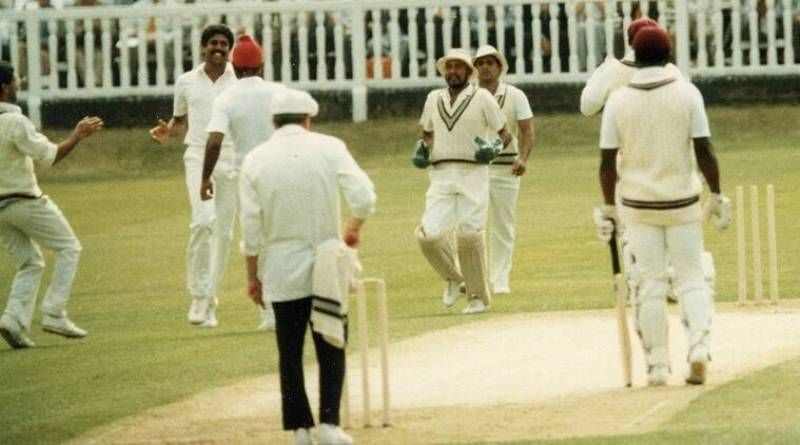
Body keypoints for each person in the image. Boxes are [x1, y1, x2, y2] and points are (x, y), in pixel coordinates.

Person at [594, 27, 731, 386]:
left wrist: (608, 207)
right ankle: (699, 348)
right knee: (691, 278)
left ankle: (656, 365)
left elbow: (607, 163)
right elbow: (704, 150)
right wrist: (716, 194)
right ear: (669, 54)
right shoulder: (687, 93)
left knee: (650, 284)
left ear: (634, 57)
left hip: (638, 205)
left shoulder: (619, 100)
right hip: (682, 202)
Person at [239, 88, 375, 445]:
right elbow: (364, 195)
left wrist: (252, 276)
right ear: (308, 119)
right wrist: (353, 228)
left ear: (273, 121)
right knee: (332, 340)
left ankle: (300, 430)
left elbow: (251, 228)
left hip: (280, 265)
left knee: (289, 351)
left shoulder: (255, 158)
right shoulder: (329, 147)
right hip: (326, 261)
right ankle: (330, 426)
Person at [0, 60, 103, 349]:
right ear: (5, 86)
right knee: (69, 247)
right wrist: (78, 135)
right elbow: (50, 156)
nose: (19, 85)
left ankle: (12, 320)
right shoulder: (14, 122)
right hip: (23, 200)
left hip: (1, 211)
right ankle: (54, 313)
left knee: (30, 262)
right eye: (15, 81)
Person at [149, 24, 237, 328]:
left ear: (229, 49)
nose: (218, 48)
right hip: (198, 156)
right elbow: (180, 120)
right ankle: (199, 297)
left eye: (224, 44)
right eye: (213, 42)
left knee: (224, 235)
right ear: (203, 47)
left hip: (231, 159)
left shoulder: (238, 80)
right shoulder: (186, 81)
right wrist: (167, 132)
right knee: (203, 223)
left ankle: (211, 301)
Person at [415, 48, 511, 315]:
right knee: (428, 235)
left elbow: (505, 134)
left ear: (469, 72)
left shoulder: (481, 97)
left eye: (459, 67)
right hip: (441, 174)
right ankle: (455, 279)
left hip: (473, 172)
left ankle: (478, 297)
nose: (453, 72)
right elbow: (427, 134)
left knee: (469, 235)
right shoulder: (433, 98)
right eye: (450, 67)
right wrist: (422, 149)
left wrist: (493, 148)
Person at [201, 34, 286, 331]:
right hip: (282, 169)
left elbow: (213, 142)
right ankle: (293, 305)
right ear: (261, 65)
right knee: (284, 237)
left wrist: (204, 177)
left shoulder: (226, 97)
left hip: (249, 176)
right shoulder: (279, 92)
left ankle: (270, 313)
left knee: (256, 242)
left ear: (234, 68)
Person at [473, 45, 534, 295]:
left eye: (490, 62)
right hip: (474, 169)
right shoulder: (468, 96)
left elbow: (527, 131)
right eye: (481, 63)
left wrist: (522, 157)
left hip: (506, 168)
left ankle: (499, 281)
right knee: (471, 226)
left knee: (502, 226)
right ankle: (475, 280)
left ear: (499, 67)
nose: (485, 67)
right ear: (475, 69)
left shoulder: (515, 95)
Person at [580, 17, 683, 117]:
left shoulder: (612, 69)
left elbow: (587, 107)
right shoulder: (672, 70)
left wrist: (600, 71)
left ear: (630, 42)